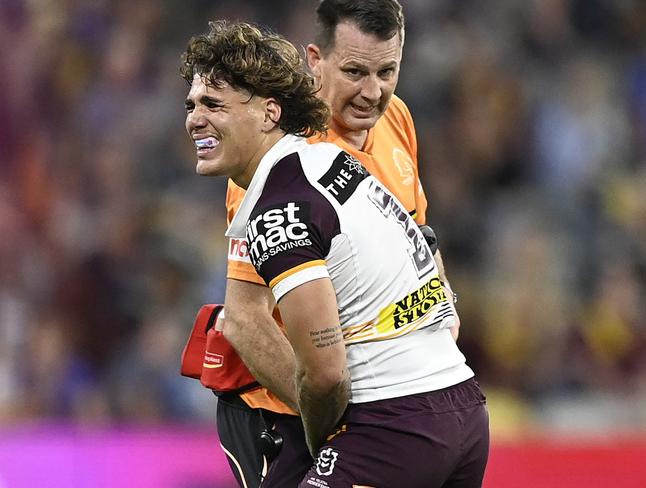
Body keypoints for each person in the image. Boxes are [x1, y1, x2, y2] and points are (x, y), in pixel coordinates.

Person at [182, 18, 489, 488]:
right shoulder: (333, 162)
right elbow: (422, 257)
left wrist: (337, 438)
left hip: (389, 419)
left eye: (214, 105)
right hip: (460, 405)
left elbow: (323, 375)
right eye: (193, 104)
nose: (194, 119)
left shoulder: (279, 211)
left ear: (268, 113)